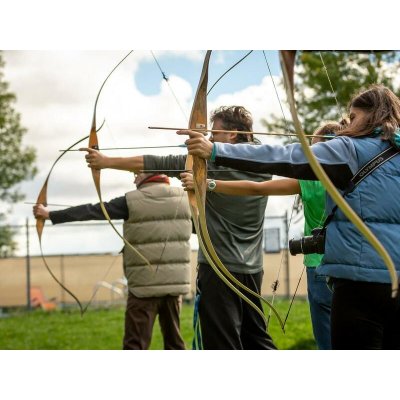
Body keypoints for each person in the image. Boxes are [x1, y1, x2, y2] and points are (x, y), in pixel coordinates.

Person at [180, 84, 400, 350]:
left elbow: (286, 156)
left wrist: (216, 150)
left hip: (359, 282)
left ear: (373, 115)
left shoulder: (350, 149)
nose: (347, 125)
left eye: (353, 118)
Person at [83, 106, 277, 350]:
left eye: (214, 134)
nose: (208, 139)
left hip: (219, 270)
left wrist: (105, 161)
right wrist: (106, 161)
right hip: (252, 269)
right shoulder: (265, 161)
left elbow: (163, 164)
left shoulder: (215, 167)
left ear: (233, 134)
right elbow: (158, 162)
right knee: (256, 339)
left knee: (222, 343)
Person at [181, 122, 343, 350]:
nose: (311, 155)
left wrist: (209, 183)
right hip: (356, 267)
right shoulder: (360, 176)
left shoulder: (312, 180)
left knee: (328, 343)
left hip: (319, 266)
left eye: (314, 148)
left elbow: (258, 188)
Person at [33, 172, 192, 350]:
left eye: (137, 174)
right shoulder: (185, 199)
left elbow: (92, 210)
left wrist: (50, 214)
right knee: (175, 344)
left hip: (143, 288)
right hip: (174, 287)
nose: (134, 179)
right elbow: (199, 228)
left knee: (135, 345)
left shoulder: (131, 201)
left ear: (148, 173)